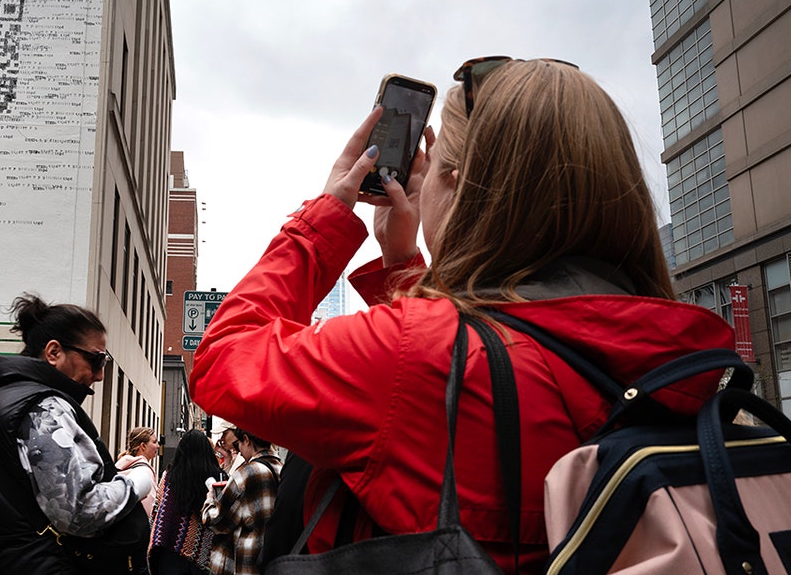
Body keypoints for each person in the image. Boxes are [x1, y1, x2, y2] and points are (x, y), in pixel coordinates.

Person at [189, 58, 735, 573]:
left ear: (457, 188)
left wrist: (328, 216)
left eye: (436, 163)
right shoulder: (673, 357)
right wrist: (404, 268)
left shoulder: (414, 353)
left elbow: (223, 357)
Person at [0, 294, 154, 574]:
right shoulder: (42, 408)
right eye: (97, 360)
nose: (100, 375)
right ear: (54, 352)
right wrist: (137, 484)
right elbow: (80, 511)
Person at [200, 428, 282, 575]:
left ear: (247, 439)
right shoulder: (281, 469)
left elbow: (217, 521)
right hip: (272, 561)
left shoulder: (245, 474)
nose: (238, 452)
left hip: (245, 564)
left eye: (238, 445)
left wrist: (210, 501)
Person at [148, 429, 224, 575]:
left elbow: (157, 510)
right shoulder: (217, 478)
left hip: (169, 551)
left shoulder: (170, 477)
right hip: (203, 557)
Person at [115, 426, 160, 519]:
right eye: (154, 442)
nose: (158, 446)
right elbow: (148, 510)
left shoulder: (122, 466)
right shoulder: (145, 471)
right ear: (143, 446)